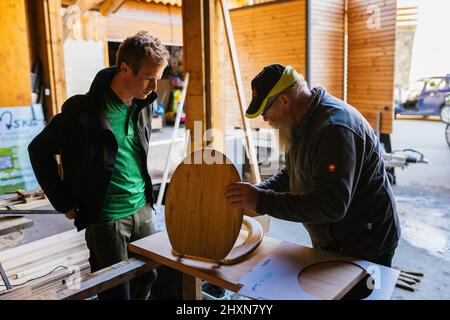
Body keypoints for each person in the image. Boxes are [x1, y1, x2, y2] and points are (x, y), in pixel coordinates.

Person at [28, 31, 169, 300]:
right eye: (148, 78)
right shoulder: (83, 111)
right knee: (117, 291)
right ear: (125, 68)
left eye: (157, 79)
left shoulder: (143, 103)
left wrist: (146, 203)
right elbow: (38, 149)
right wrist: (63, 201)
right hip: (107, 217)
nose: (154, 87)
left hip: (142, 206)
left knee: (149, 275)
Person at [225, 64, 401, 268]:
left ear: (284, 100)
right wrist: (259, 191)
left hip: (365, 244)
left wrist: (261, 200)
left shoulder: (333, 128)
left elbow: (331, 204)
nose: (266, 120)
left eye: (266, 112)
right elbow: (292, 173)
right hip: (334, 240)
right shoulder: (300, 122)